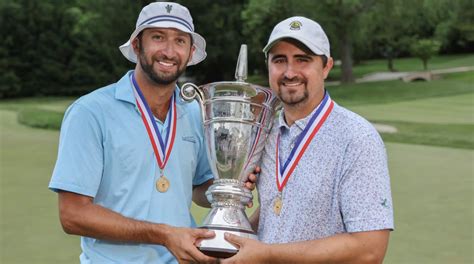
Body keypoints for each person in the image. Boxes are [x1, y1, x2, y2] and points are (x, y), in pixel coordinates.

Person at [49, 2, 256, 263]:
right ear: (137, 46)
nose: (169, 51)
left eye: (180, 41)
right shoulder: (90, 112)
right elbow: (72, 215)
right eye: (158, 37)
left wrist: (233, 182)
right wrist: (164, 235)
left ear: (190, 52)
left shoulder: (193, 113)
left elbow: (200, 189)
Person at [222, 16, 394, 263]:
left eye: (303, 60)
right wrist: (236, 236)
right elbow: (279, 208)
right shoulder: (265, 131)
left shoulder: (357, 138)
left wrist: (267, 255)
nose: (290, 72)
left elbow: (370, 249)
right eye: (280, 60)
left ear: (326, 66)